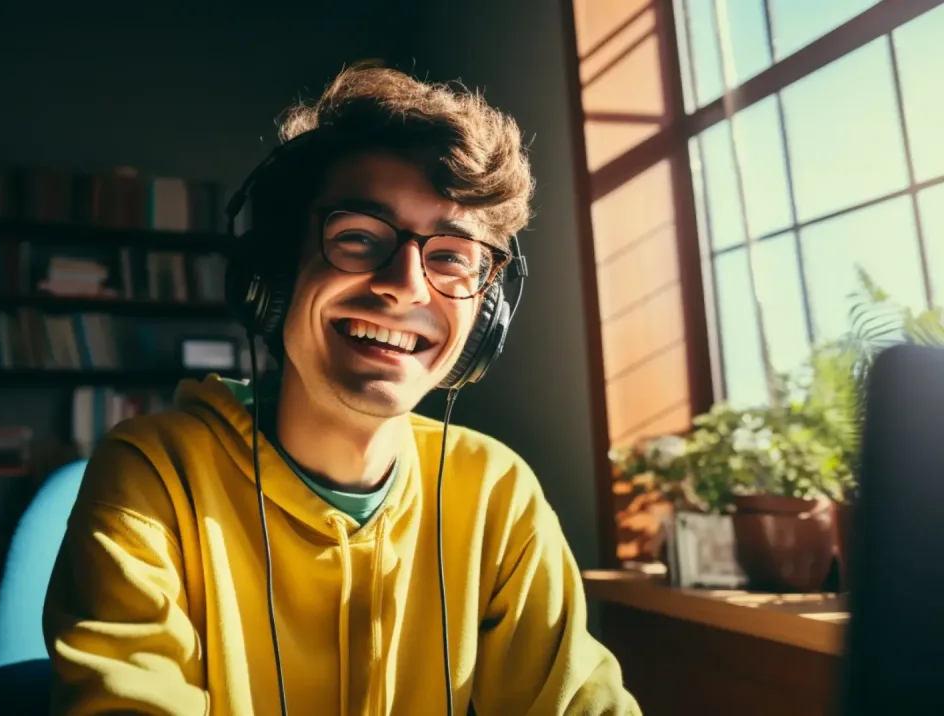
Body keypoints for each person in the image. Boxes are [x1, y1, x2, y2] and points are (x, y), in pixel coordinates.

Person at [43, 64, 639, 715]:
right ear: (272, 274)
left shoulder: (497, 492)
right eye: (357, 237)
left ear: (485, 314)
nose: (407, 286)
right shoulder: (155, 476)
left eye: (450, 257)